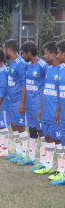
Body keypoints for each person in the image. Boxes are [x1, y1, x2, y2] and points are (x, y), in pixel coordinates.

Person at [34, 41, 62, 175]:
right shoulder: (48, 70)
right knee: (47, 137)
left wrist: (57, 111)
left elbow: (62, 95)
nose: (44, 56)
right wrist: (40, 109)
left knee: (59, 140)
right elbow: (45, 91)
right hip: (45, 111)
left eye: (45, 54)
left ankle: (61, 169)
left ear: (53, 54)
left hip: (55, 113)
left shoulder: (62, 70)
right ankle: (48, 165)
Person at [19, 41, 48, 166]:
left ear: (29, 53)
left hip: (38, 107)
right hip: (29, 105)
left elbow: (47, 87)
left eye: (23, 53)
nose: (22, 55)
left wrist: (42, 107)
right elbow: (25, 85)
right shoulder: (27, 65)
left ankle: (43, 160)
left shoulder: (43, 66)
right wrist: (23, 102)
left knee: (42, 133)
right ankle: (31, 157)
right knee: (32, 131)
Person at [3, 39, 29, 163]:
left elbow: (24, 84)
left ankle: (24, 154)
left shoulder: (20, 63)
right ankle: (18, 151)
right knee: (14, 125)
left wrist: (22, 102)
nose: (4, 52)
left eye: (4, 49)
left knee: (21, 127)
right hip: (11, 100)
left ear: (8, 49)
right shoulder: (12, 62)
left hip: (18, 100)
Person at [51, 40, 65, 185]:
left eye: (59, 53)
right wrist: (57, 110)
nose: (58, 55)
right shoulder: (61, 71)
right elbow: (62, 94)